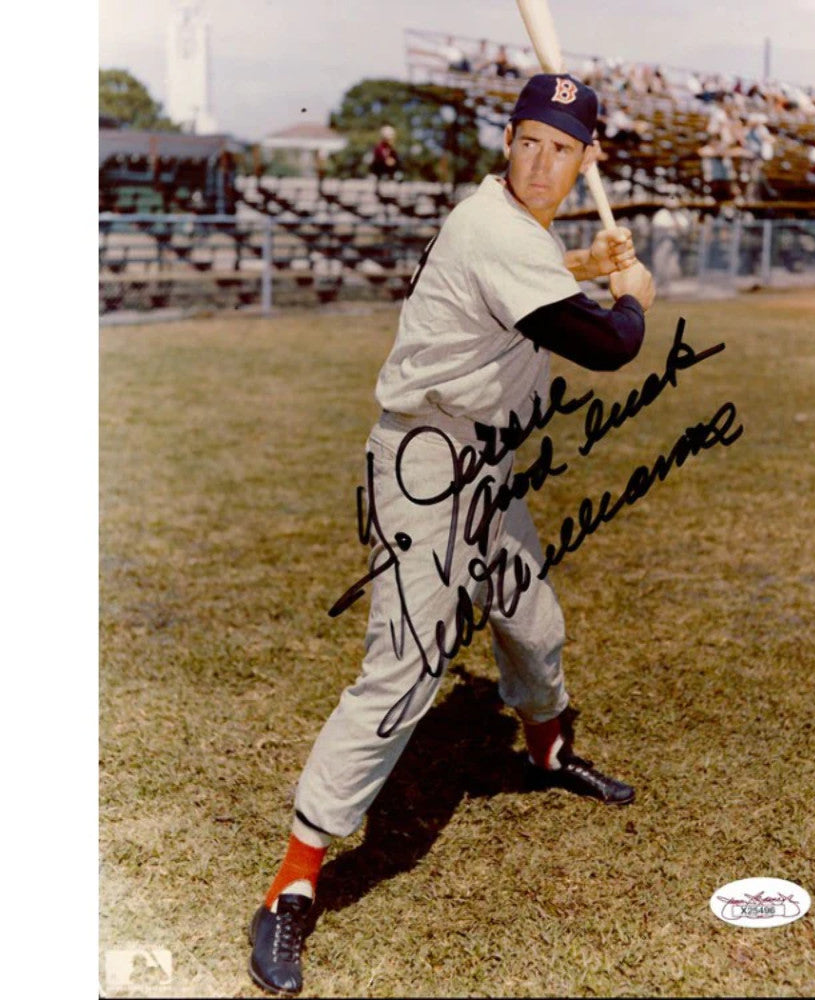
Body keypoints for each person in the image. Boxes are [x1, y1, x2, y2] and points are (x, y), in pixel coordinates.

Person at [247, 72, 656, 997]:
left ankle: (547, 751)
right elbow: (607, 348)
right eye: (529, 143)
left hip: (483, 466)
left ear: (585, 158)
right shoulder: (494, 224)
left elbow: (525, 289)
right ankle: (290, 885)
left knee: (535, 622)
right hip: (424, 470)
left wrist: (587, 268)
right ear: (505, 143)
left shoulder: (504, 226)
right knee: (404, 668)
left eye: (563, 149)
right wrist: (631, 292)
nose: (542, 163)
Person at [370, 124, 400, 193]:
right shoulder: (379, 148)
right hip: (380, 172)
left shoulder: (391, 149)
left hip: (389, 172)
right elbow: (383, 160)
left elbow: (395, 160)